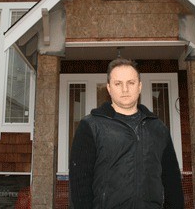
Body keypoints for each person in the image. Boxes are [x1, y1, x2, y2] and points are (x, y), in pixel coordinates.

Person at [69, 58, 184, 208]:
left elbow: (172, 182)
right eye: (118, 83)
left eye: (131, 83)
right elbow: (80, 187)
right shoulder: (90, 126)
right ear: (109, 88)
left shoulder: (158, 128)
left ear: (140, 86)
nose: (125, 89)